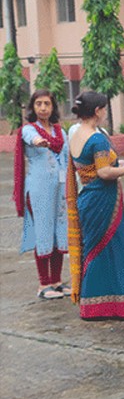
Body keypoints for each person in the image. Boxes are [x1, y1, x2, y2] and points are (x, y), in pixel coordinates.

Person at [66, 91, 124, 321]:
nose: (106, 113)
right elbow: (104, 172)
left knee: (93, 250)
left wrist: (120, 163)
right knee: (108, 249)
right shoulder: (96, 138)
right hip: (102, 198)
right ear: (97, 111)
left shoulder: (76, 134)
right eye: (104, 109)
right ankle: (112, 305)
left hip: (87, 196)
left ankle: (93, 304)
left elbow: (93, 166)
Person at [13, 90, 70, 300]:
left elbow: (67, 157)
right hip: (38, 191)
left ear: (53, 107)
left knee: (59, 232)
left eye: (47, 104)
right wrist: (39, 141)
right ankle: (43, 284)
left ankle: (56, 281)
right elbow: (32, 139)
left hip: (60, 190)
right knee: (43, 232)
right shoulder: (28, 130)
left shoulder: (60, 133)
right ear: (33, 107)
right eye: (39, 104)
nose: (43, 108)